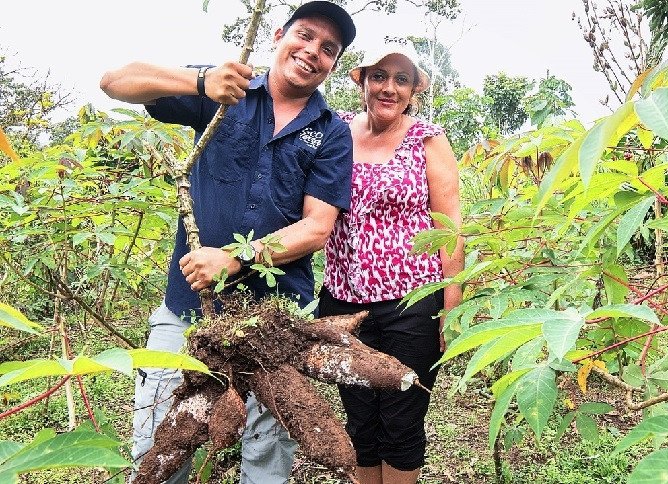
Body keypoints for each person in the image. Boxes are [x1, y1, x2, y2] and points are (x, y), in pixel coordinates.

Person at [99, 2, 356, 482]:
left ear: (333, 64)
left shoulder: (332, 132)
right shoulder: (225, 89)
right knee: (161, 443)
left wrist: (236, 258)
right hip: (190, 309)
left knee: (267, 450)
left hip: (277, 318)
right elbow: (116, 80)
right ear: (279, 34)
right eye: (304, 35)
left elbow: (317, 227)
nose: (312, 52)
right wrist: (200, 84)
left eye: (328, 49)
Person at [318, 37, 464, 484]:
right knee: (361, 420)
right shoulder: (334, 130)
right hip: (342, 304)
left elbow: (450, 223)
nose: (389, 88)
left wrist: (451, 307)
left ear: (415, 89)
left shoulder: (427, 139)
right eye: (379, 75)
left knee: (401, 419)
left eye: (402, 79)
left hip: (411, 306)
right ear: (359, 80)